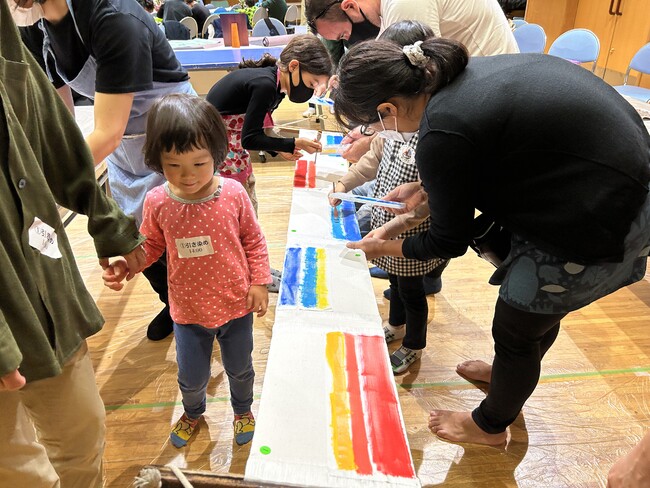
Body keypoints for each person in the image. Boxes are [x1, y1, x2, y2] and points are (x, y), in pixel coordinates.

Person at [334, 37, 650, 445]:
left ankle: (490, 424)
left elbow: (446, 242)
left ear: (387, 110)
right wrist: (427, 192)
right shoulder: (453, 78)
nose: (375, 134)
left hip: (604, 216)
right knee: (536, 319)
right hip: (610, 185)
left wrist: (381, 247)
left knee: (518, 329)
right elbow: (484, 157)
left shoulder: (441, 128)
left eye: (371, 126)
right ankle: (506, 377)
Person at [0, 2, 146, 485]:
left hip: (41, 275)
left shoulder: (17, 32)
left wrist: (107, 220)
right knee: (21, 469)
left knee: (83, 430)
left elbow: (49, 130)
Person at [13, 0, 197, 341]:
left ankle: (202, 307)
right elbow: (60, 119)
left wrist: (47, 184)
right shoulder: (34, 26)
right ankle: (173, 303)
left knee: (184, 232)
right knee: (136, 232)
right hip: (124, 141)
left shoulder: (115, 19)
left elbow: (108, 133)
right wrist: (51, 161)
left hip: (173, 132)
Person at [103, 93, 272, 448]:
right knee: (192, 377)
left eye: (199, 163)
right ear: (157, 160)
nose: (188, 175)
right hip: (188, 311)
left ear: (216, 154)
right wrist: (126, 264)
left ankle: (243, 410)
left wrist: (260, 281)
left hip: (236, 305)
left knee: (240, 369)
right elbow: (150, 246)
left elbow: (254, 240)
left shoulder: (233, 193)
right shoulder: (157, 201)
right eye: (173, 165)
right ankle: (193, 411)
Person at [205, 34, 331, 286]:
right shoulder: (264, 85)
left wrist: (279, 149)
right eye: (312, 83)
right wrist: (291, 144)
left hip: (232, 152)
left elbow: (259, 128)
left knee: (247, 212)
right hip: (220, 154)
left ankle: (254, 269)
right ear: (293, 66)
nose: (311, 90)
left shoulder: (275, 86)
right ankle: (248, 275)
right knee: (238, 217)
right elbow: (250, 138)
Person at [305, 0, 517, 55]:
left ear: (350, 6)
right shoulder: (384, 9)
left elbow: (421, 76)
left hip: (490, 82)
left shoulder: (403, 5)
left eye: (344, 35)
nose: (349, 42)